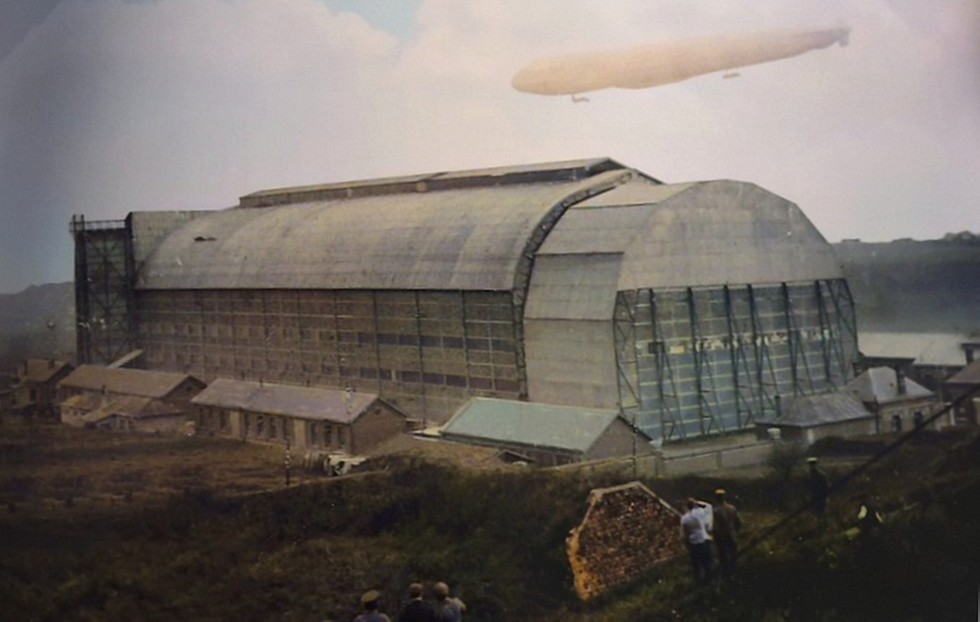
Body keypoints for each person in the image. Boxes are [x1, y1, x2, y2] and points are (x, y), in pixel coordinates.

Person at [680, 498, 713, 585]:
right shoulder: (700, 513)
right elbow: (709, 506)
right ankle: (709, 580)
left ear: (687, 507)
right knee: (707, 562)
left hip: (693, 543)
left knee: (696, 565)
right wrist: (698, 502)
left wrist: (686, 544)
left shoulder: (684, 518)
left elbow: (684, 534)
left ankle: (698, 582)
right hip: (704, 540)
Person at [711, 488, 742, 578]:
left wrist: (715, 536)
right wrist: (735, 531)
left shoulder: (715, 511)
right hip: (732, 535)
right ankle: (734, 573)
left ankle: (726, 575)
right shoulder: (732, 508)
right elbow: (738, 522)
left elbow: (714, 526)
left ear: (716, 498)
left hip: (721, 537)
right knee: (733, 554)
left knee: (723, 556)